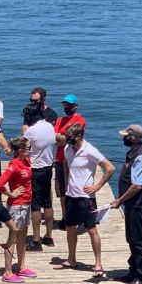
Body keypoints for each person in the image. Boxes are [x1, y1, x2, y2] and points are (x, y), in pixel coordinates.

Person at [53, 123, 115, 277]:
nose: (67, 140)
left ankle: (98, 264)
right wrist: (67, 182)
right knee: (70, 227)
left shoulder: (89, 150)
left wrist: (98, 185)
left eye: (70, 138)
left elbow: (110, 167)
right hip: (71, 195)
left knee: (91, 229)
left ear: (79, 136)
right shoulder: (68, 149)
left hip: (86, 198)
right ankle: (71, 259)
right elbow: (66, 163)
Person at [110, 124, 142, 284]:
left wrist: (120, 200)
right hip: (132, 204)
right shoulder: (135, 153)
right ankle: (133, 271)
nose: (124, 138)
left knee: (139, 240)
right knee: (131, 238)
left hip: (138, 205)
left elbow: (137, 185)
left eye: (126, 136)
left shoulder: (141, 156)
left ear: (134, 138)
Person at [0, 137, 37, 282]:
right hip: (16, 206)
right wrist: (11, 193)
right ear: (20, 151)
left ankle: (21, 266)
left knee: (23, 236)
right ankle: (7, 272)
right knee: (12, 238)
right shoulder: (14, 165)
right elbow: (0, 184)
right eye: (28, 149)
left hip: (26, 204)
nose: (30, 151)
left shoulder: (26, 161)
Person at [22, 103, 56, 250]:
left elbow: (22, 148)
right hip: (49, 168)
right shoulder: (50, 126)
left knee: (35, 205)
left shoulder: (31, 131)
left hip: (36, 169)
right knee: (47, 203)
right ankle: (48, 237)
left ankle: (36, 240)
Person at [54, 94, 86, 230]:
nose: (66, 107)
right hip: (60, 160)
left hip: (74, 161)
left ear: (75, 106)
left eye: (69, 105)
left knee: (74, 189)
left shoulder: (79, 120)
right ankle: (65, 217)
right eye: (65, 105)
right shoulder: (60, 120)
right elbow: (55, 139)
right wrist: (64, 138)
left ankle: (80, 218)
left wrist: (63, 138)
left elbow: (69, 139)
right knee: (62, 190)